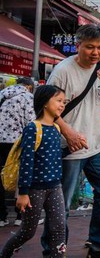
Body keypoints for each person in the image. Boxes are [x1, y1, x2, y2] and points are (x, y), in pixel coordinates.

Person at [43, 24, 100, 258]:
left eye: (99, 47)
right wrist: (68, 132)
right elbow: (48, 107)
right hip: (68, 147)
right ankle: (54, 251)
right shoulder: (63, 71)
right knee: (61, 205)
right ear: (78, 46)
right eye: (90, 47)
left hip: (97, 146)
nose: (96, 52)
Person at [0, 85, 66, 257]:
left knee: (59, 227)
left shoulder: (56, 128)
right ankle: (5, 253)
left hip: (55, 187)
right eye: (58, 101)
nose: (62, 105)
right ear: (44, 102)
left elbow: (54, 156)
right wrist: (23, 193)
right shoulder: (32, 128)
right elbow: (27, 162)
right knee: (28, 231)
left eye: (63, 102)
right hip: (35, 189)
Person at [0, 77, 35, 227]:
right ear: (28, 86)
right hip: (17, 142)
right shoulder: (28, 97)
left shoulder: (2, 94)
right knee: (22, 175)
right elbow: (31, 122)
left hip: (0, 141)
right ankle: (21, 215)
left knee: (1, 176)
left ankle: (1, 216)